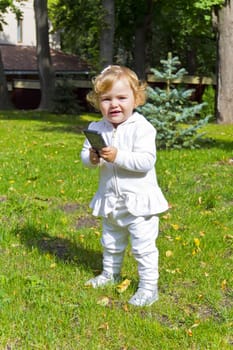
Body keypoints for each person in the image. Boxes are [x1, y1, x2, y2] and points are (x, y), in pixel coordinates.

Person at [81, 65, 168, 306]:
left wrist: (118, 156)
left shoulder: (142, 128)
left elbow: (145, 161)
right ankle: (110, 273)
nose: (114, 104)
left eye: (121, 97)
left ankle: (149, 287)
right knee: (110, 242)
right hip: (111, 200)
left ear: (136, 99)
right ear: (98, 102)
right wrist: (92, 158)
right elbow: (85, 158)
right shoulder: (96, 128)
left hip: (140, 204)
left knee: (143, 247)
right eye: (106, 99)